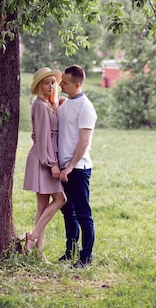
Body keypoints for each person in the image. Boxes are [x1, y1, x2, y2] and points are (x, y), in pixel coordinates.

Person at [23, 67, 67, 256]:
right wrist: (52, 164)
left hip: (48, 157)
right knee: (60, 199)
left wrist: (60, 105)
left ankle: (38, 252)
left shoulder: (50, 104)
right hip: (44, 159)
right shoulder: (40, 105)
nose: (51, 86)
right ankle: (32, 237)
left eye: (53, 82)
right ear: (40, 86)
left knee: (43, 206)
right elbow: (42, 138)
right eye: (46, 83)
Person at [57, 64, 97, 268]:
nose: (60, 84)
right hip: (63, 168)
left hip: (78, 169)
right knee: (68, 212)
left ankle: (86, 257)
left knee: (83, 213)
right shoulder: (65, 104)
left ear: (77, 84)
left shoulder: (85, 107)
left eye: (65, 82)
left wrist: (70, 167)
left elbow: (83, 142)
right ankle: (70, 251)